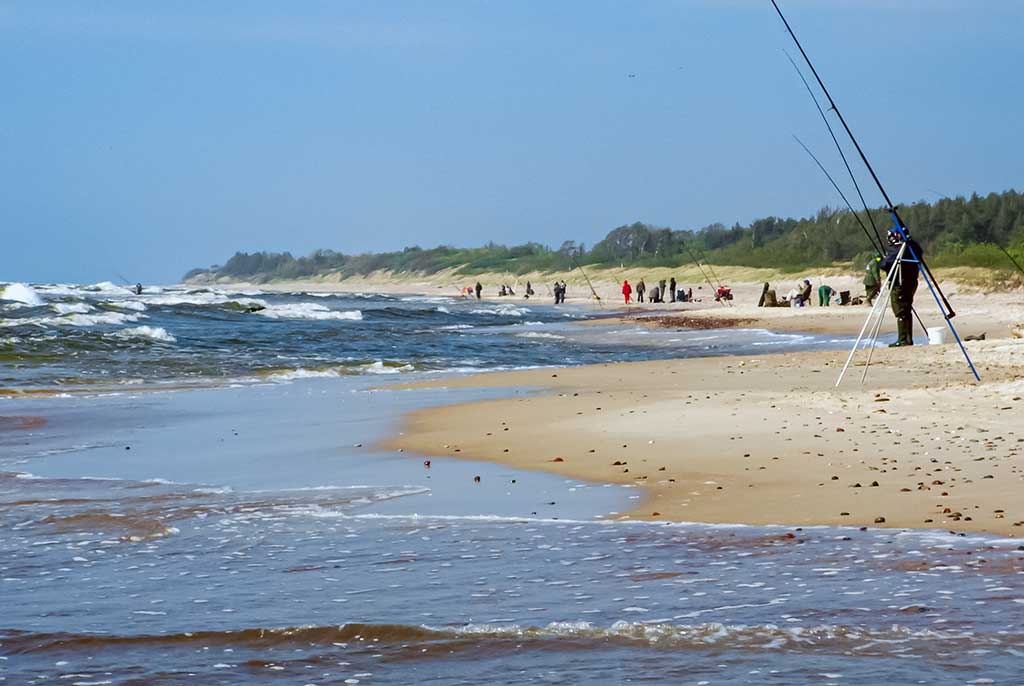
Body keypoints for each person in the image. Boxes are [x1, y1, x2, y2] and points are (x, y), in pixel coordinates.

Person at [880, 228, 922, 347]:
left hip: (900, 284)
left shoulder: (900, 249)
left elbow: (885, 264)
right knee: (906, 310)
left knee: (901, 311)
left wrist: (880, 259)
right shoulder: (914, 247)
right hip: (911, 282)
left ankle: (903, 339)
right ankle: (907, 339)